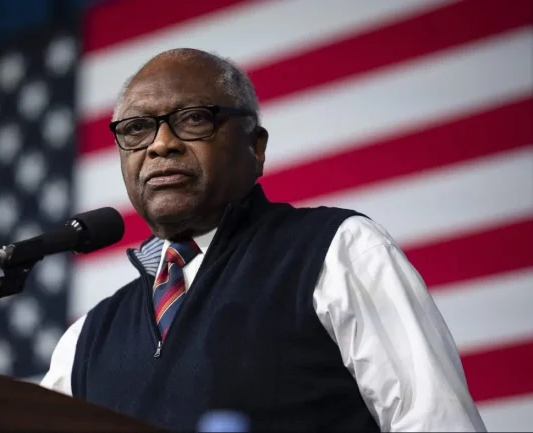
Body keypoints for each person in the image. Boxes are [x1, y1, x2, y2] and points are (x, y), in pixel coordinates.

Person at [40, 48, 486, 432]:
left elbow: (434, 422)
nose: (160, 145)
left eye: (193, 119)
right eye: (137, 128)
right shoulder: (86, 338)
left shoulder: (337, 250)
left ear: (255, 148)